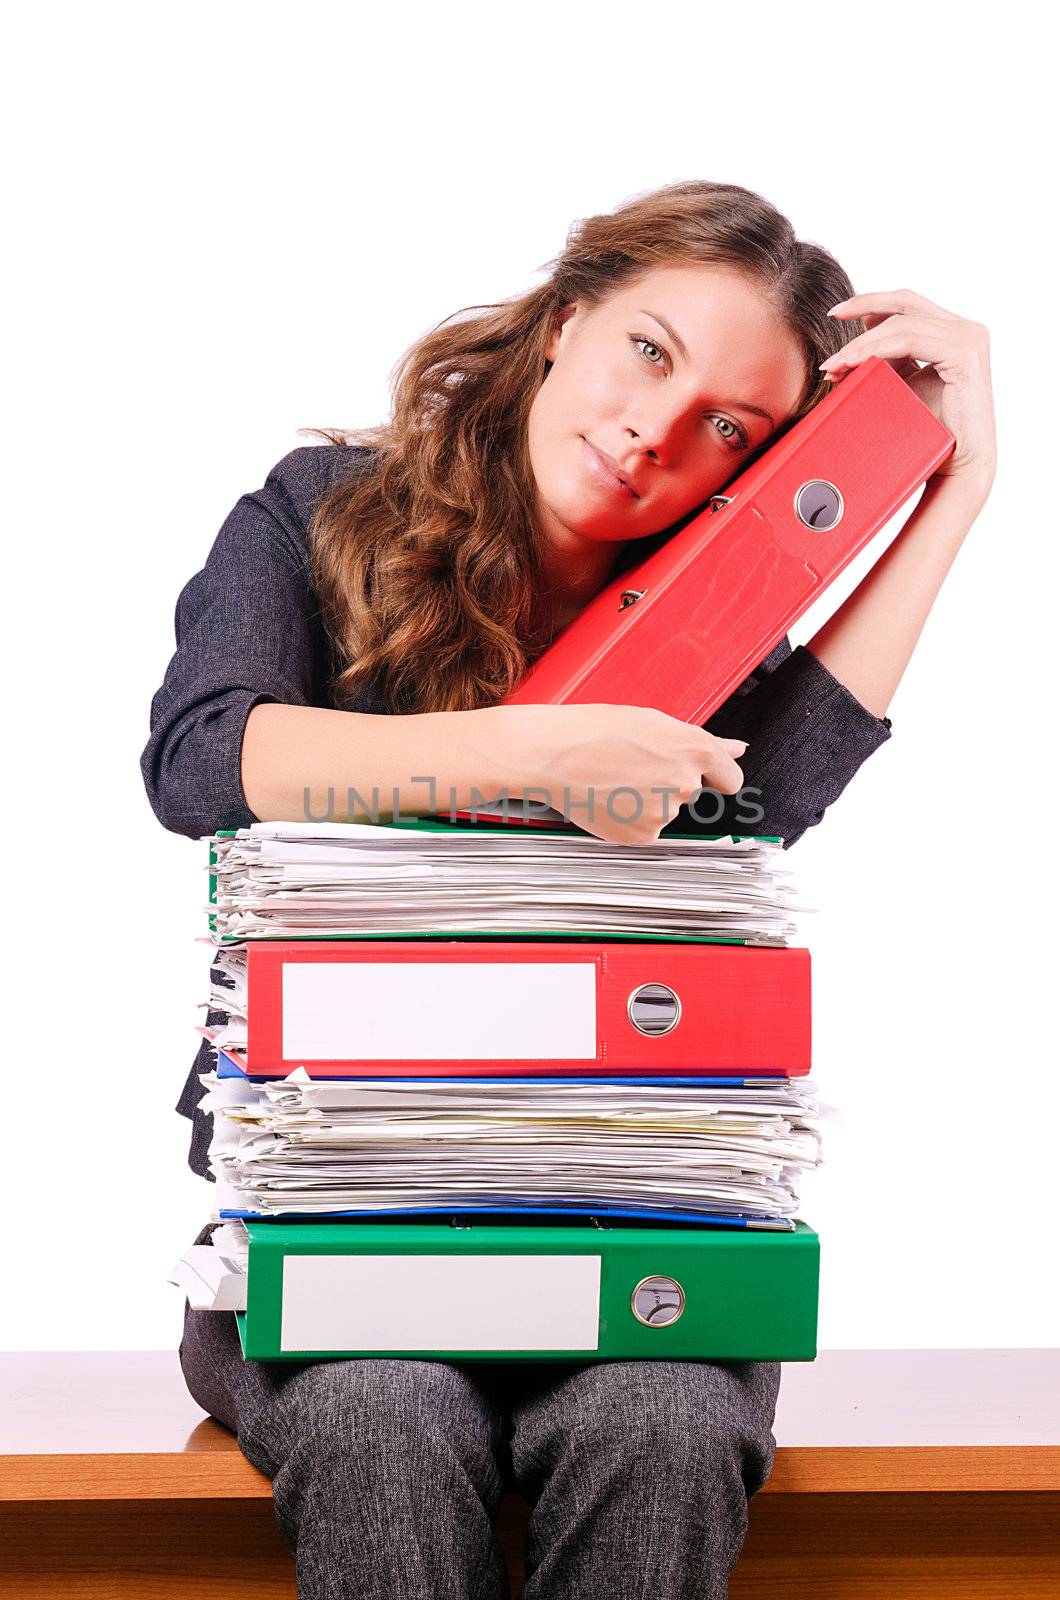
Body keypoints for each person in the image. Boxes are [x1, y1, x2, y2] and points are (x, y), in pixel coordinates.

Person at [140, 180, 996, 1599]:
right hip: (339, 1241)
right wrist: (540, 748)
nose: (657, 431)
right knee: (382, 1415)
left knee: (656, 1425)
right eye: (649, 351)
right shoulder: (317, 515)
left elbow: (766, 814)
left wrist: (957, 485)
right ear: (566, 319)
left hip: (632, 1235)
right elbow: (198, 761)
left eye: (733, 426)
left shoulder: (707, 617)